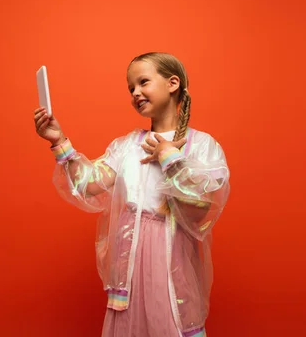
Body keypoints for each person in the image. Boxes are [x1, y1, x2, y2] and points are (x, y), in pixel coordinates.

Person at [33, 52, 231, 336]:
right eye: (131, 88)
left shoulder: (200, 145)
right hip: (131, 259)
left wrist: (169, 158)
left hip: (169, 257)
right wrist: (59, 141)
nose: (136, 92)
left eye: (143, 82)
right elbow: (90, 184)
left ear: (172, 83)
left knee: (170, 321)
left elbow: (203, 205)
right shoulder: (126, 146)